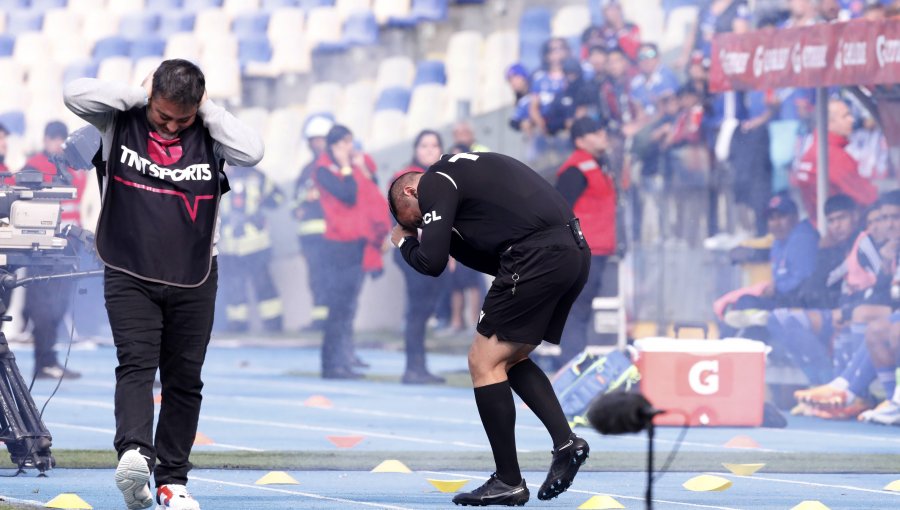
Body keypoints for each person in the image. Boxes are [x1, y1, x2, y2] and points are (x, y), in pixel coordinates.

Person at [64, 59, 264, 510]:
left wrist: (207, 111)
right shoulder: (118, 119)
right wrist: (141, 96)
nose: (173, 126)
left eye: (183, 119)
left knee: (185, 380)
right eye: (163, 115)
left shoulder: (210, 130)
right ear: (150, 96)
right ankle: (135, 454)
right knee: (136, 364)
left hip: (195, 274)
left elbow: (253, 151)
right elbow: (73, 93)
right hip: (129, 269)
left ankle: (172, 481)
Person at [389, 152, 591, 506]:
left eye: (417, 220)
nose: (421, 226)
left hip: (536, 255)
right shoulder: (464, 174)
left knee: (481, 362)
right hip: (572, 250)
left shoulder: (435, 180)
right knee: (506, 359)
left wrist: (404, 242)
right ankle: (565, 443)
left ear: (408, 192)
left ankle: (508, 480)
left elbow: (431, 262)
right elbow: (489, 257)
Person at [20, 121, 89, 379]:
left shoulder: (73, 166)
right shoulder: (34, 166)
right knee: (43, 306)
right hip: (43, 246)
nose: (58, 145)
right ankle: (43, 361)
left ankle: (50, 359)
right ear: (46, 140)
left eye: (62, 139)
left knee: (59, 305)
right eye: (54, 139)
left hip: (69, 244)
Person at [314, 124, 384, 379]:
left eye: (350, 143)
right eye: (343, 144)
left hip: (357, 244)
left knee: (348, 307)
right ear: (332, 146)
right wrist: (347, 166)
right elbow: (348, 195)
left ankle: (344, 360)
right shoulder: (323, 170)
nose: (348, 149)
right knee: (338, 307)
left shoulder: (354, 168)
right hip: (336, 246)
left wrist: (360, 168)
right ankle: (330, 364)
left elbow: (372, 190)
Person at [556, 118, 617, 364]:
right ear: (579, 141)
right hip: (582, 250)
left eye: (601, 129)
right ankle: (572, 366)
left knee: (581, 310)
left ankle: (576, 363)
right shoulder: (575, 169)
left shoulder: (598, 165)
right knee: (575, 311)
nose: (602, 134)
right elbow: (559, 210)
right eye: (594, 132)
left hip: (597, 249)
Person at [392, 130, 448, 384]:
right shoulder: (405, 179)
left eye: (434, 145)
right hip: (414, 249)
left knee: (425, 311)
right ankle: (413, 368)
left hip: (435, 252)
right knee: (417, 311)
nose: (429, 150)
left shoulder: (443, 177)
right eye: (424, 145)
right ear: (415, 149)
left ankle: (419, 366)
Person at [217, 164, 285, 333]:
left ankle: (273, 323)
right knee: (234, 284)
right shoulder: (220, 176)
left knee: (263, 283)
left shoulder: (259, 177)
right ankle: (237, 324)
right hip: (230, 242)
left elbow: (279, 198)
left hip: (256, 242)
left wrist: (265, 202)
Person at [792, 98, 878, 221]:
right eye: (845, 116)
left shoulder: (815, 150)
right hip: (837, 227)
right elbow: (866, 197)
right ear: (829, 123)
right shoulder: (832, 156)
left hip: (821, 222)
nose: (852, 120)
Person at [293, 114, 333, 331]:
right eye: (314, 140)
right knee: (316, 277)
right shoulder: (306, 170)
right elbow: (294, 204)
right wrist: (302, 201)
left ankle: (331, 319)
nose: (318, 144)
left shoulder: (335, 168)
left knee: (330, 276)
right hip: (309, 237)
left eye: (322, 139)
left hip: (332, 234)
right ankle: (319, 320)